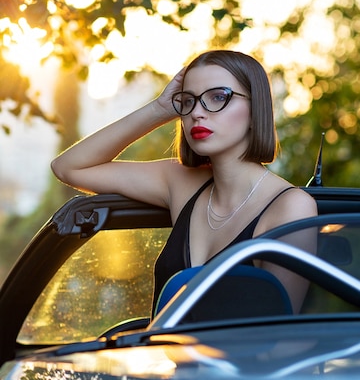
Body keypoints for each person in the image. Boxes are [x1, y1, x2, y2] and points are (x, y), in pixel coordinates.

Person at [51, 50, 317, 314]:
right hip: (161, 354)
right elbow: (68, 167)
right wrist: (159, 109)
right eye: (188, 101)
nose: (197, 113)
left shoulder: (290, 207)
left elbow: (280, 338)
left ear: (255, 107)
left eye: (217, 97)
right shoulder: (181, 182)